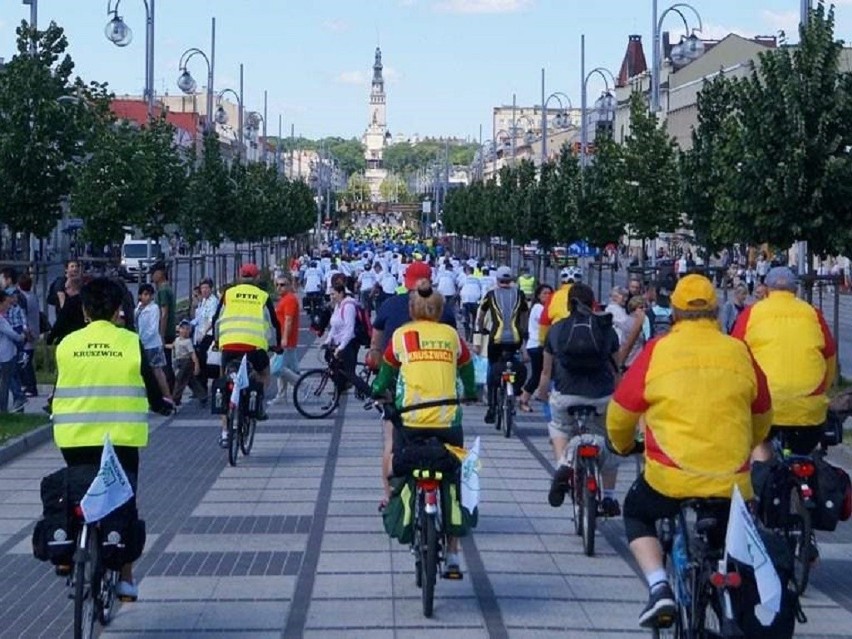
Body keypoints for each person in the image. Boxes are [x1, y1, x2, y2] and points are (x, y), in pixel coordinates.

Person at [606, 274, 772, 629]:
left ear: (676, 313)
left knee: (636, 510)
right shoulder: (739, 351)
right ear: (715, 310)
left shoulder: (658, 351)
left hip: (670, 480)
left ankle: (659, 586)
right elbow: (762, 413)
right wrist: (745, 446)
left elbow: (621, 411)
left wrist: (621, 445)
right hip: (732, 483)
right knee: (730, 546)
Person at [52, 277, 173, 601]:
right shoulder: (129, 343)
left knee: (78, 489)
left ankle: (68, 548)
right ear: (119, 309)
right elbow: (150, 388)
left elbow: (58, 390)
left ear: (86, 311)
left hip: (74, 437)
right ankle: (125, 579)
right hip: (121, 439)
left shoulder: (67, 344)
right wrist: (163, 405)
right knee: (122, 500)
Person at [370, 279, 478, 575]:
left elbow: (386, 372)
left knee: (400, 462)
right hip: (447, 420)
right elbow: (467, 368)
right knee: (455, 477)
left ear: (411, 309)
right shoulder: (451, 336)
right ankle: (454, 553)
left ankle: (399, 505)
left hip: (411, 419)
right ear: (441, 310)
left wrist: (379, 391)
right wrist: (470, 392)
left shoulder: (402, 336)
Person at [368, 260, 457, 507]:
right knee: (452, 448)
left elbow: (376, 342)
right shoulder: (445, 311)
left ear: (405, 281)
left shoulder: (390, 305)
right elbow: (456, 353)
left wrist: (376, 368)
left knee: (391, 441)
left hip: (401, 394)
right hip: (441, 395)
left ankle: (389, 495)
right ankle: (452, 503)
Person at [731, 266, 836, 460]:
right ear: (795, 290)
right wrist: (822, 390)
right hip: (809, 409)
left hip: (768, 407)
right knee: (808, 454)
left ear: (767, 290)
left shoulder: (751, 314)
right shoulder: (813, 314)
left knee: (759, 443)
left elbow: (735, 356)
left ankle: (761, 476)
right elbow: (829, 357)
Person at [534, 283, 621, 515]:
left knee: (559, 426)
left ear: (568, 303)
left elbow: (546, 372)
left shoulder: (557, 330)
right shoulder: (606, 329)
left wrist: (542, 394)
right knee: (611, 438)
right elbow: (616, 369)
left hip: (566, 395)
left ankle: (564, 464)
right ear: (593, 303)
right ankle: (610, 497)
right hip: (601, 396)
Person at [212, 263, 281, 444]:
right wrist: (277, 345)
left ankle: (225, 433)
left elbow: (215, 319)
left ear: (239, 276)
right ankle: (257, 403)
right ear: (257, 278)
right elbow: (274, 323)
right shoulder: (262, 296)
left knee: (224, 381)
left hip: (229, 347)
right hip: (254, 348)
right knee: (265, 373)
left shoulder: (228, 294)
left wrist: (218, 341)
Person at [475, 266, 529, 425]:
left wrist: (481, 329)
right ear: (512, 280)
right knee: (514, 362)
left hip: (496, 339)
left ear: (497, 281)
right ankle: (515, 389)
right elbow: (525, 313)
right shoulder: (520, 294)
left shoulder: (491, 295)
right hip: (515, 338)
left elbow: (481, 314)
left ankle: (492, 407)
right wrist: (522, 329)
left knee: (493, 369)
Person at [518, 284, 553, 412]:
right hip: (537, 345)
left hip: (538, 345)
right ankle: (524, 399)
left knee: (541, 374)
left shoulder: (542, 307)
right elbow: (548, 321)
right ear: (538, 295)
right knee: (538, 375)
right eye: (544, 293)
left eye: (550, 293)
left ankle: (532, 395)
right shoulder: (539, 308)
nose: (547, 296)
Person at [134, 283, 171, 400]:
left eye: (149, 295)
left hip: (152, 345)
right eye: (144, 295)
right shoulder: (138, 308)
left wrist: (142, 339)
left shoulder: (154, 308)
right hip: (141, 344)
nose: (146, 297)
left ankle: (168, 397)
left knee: (158, 372)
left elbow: (153, 329)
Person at [271, 275, 301, 404]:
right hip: (285, 339)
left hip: (287, 340)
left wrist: (284, 339)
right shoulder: (284, 299)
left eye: (283, 285)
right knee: (288, 367)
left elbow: (288, 321)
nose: (279, 287)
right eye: (277, 284)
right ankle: (282, 395)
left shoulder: (289, 300)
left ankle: (301, 385)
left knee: (276, 368)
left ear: (289, 286)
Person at [170, 319, 208, 406]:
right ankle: (202, 396)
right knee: (191, 381)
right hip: (179, 361)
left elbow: (193, 354)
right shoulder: (177, 340)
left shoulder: (188, 342)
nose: (185, 331)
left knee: (180, 380)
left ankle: (175, 398)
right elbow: (173, 346)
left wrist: (196, 365)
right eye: (183, 328)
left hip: (186, 361)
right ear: (179, 329)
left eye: (187, 329)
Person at [0, 291, 26, 413]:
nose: (8, 306)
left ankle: (7, 407)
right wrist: (21, 337)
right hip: (5, 355)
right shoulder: (1, 319)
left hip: (6, 354)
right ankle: (5, 407)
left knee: (7, 380)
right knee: (6, 382)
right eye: (6, 303)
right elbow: (10, 333)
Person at [151, 263, 176, 388]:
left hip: (165, 332)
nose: (152, 276)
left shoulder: (163, 290)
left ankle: (170, 388)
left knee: (165, 363)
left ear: (160, 273)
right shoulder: (167, 288)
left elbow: (164, 313)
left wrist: (161, 334)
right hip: (169, 330)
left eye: (154, 273)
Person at [192, 278, 219, 390]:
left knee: (203, 359)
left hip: (208, 334)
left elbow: (211, 320)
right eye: (202, 288)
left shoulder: (213, 301)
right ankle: (200, 385)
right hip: (199, 334)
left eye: (206, 288)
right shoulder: (203, 301)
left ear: (211, 289)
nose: (204, 290)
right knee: (198, 359)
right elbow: (198, 318)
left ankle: (203, 386)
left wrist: (203, 333)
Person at [17, 273, 40, 397]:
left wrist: (26, 333)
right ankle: (28, 386)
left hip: (28, 334)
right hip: (35, 330)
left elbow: (23, 317)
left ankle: (30, 387)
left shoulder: (22, 298)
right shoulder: (33, 296)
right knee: (27, 360)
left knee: (26, 362)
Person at [47, 276, 85, 346]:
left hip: (70, 337)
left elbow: (61, 321)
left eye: (66, 288)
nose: (66, 291)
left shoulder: (70, 303)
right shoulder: (87, 302)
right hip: (84, 336)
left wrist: (50, 338)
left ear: (72, 288)